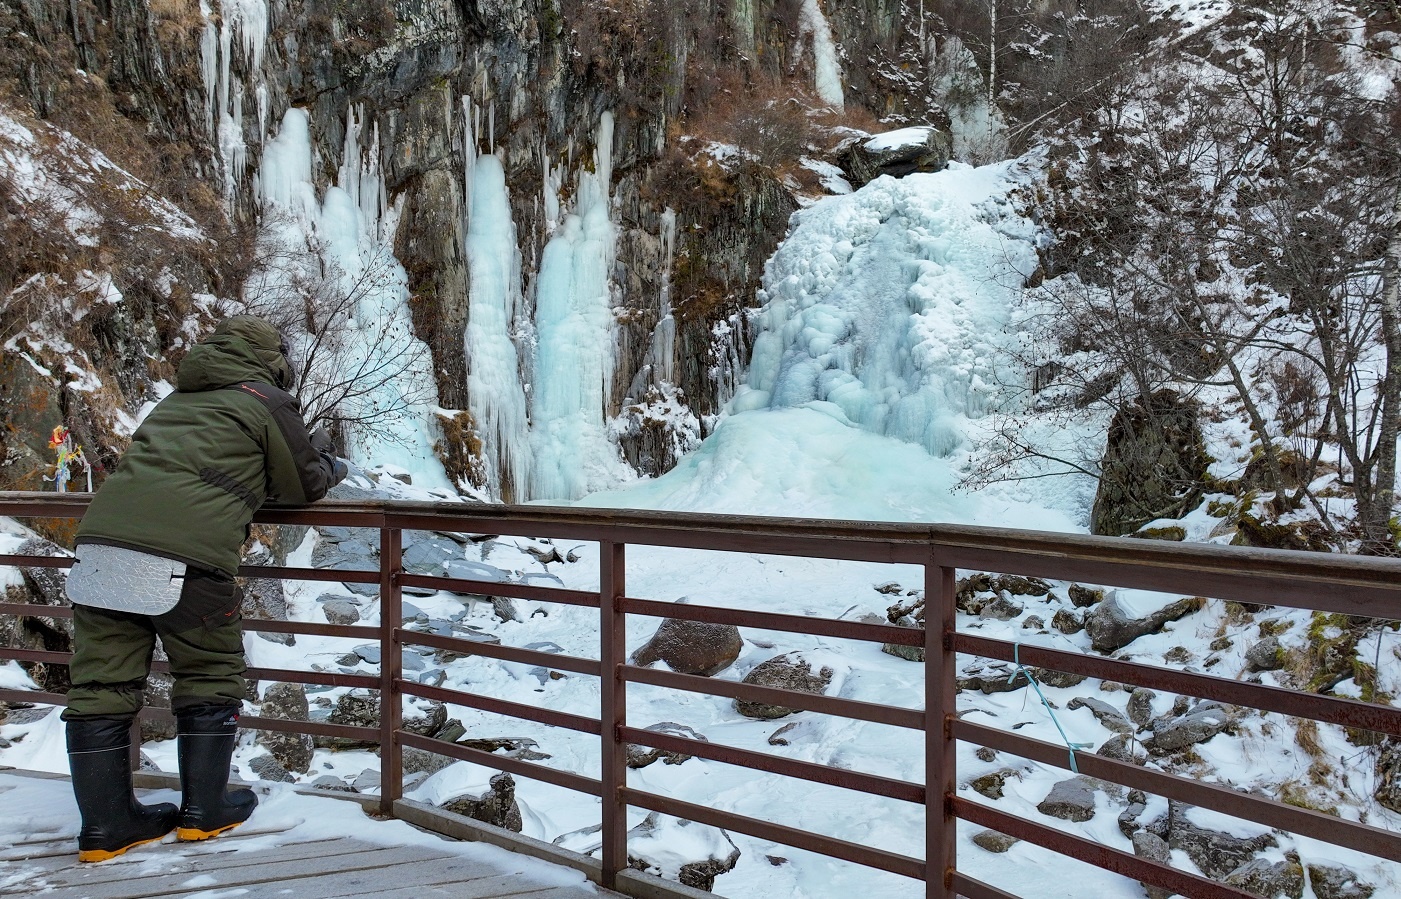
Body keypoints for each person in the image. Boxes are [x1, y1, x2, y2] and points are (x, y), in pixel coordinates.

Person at [61, 315, 347, 862]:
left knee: (100, 683)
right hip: (184, 557)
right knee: (210, 671)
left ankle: (105, 828)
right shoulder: (266, 401)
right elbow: (303, 485)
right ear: (271, 360)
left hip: (100, 545)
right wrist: (328, 462)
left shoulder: (174, 401)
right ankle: (204, 811)